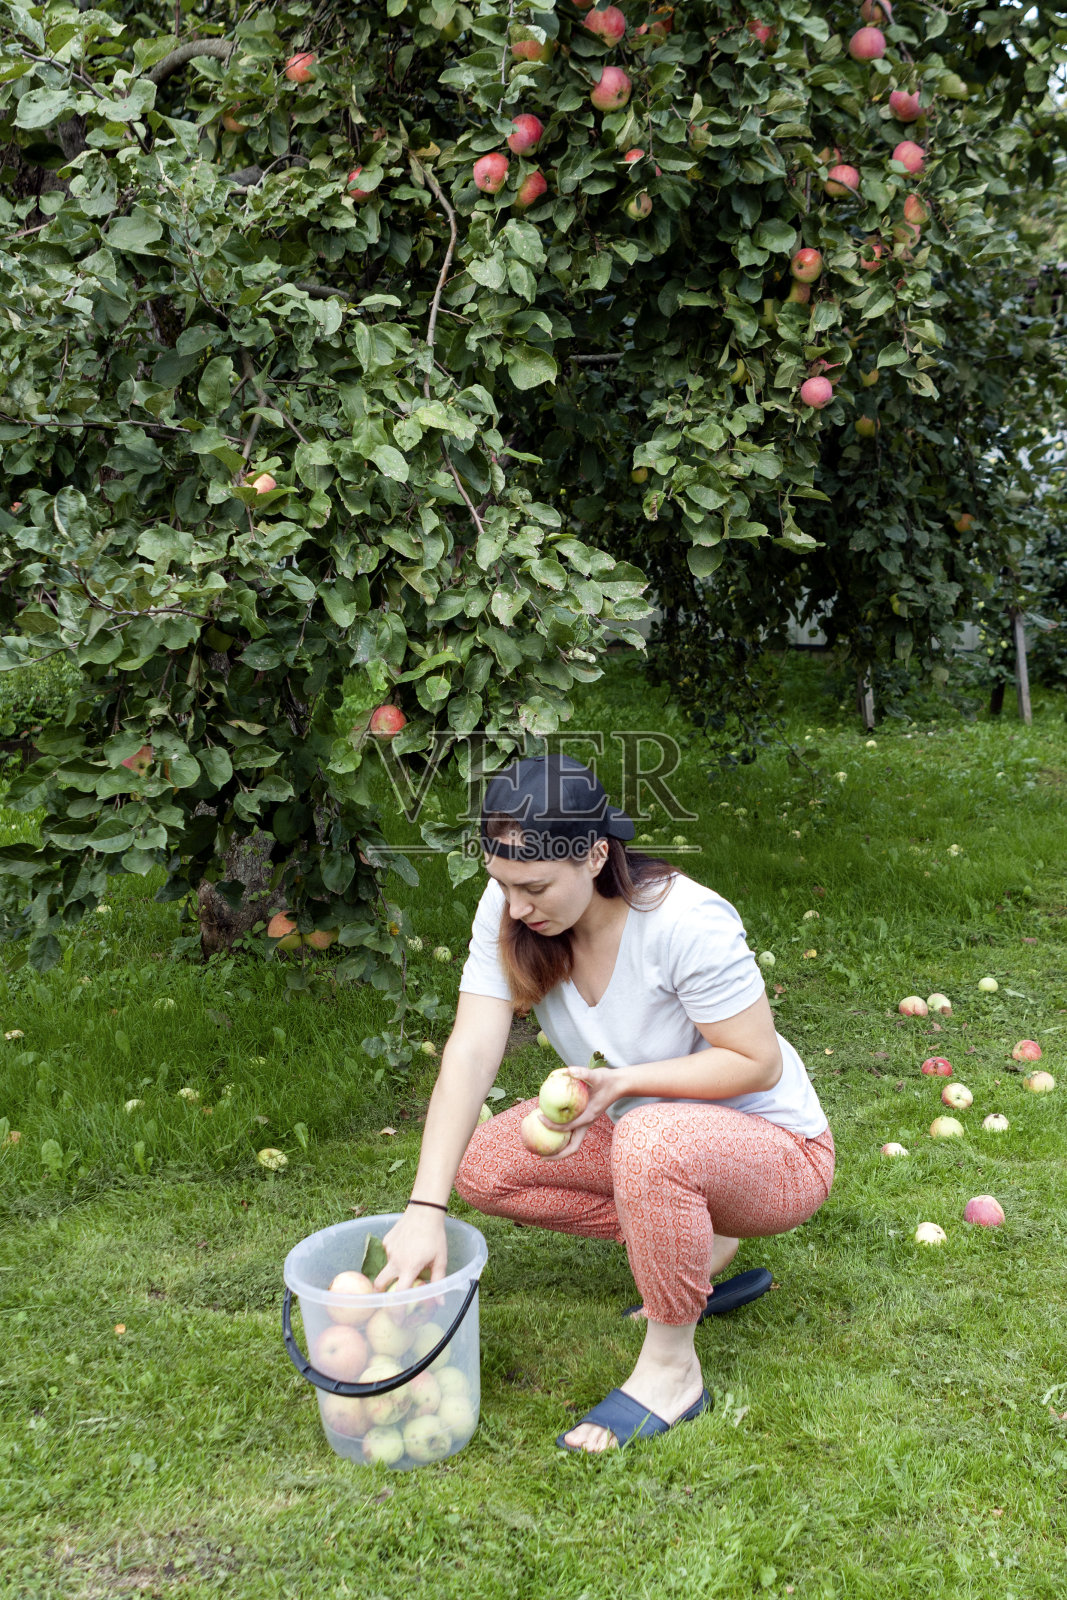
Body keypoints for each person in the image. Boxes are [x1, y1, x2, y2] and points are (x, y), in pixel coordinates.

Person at [377, 754, 834, 1455]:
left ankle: (672, 1370)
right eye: (501, 883)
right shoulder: (510, 909)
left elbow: (754, 1059)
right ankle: (692, 1248)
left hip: (777, 1153)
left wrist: (622, 1084)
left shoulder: (683, 920)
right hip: (653, 1138)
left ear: (593, 857)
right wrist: (423, 1208)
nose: (516, 906)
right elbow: (469, 1052)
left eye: (533, 886)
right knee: (484, 1167)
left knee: (648, 1136)